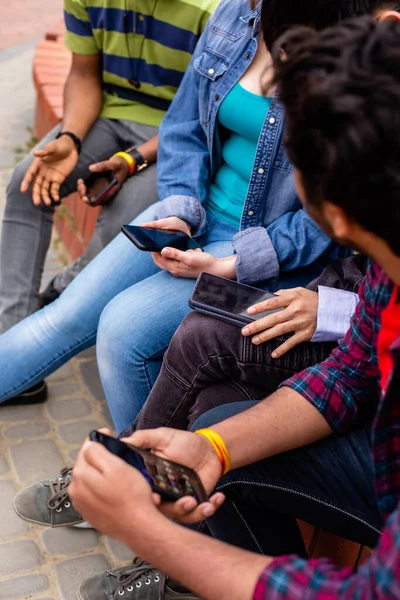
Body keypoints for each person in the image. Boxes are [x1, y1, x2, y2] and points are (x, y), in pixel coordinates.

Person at [66, 14, 400, 600]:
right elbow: (348, 376)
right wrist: (213, 451)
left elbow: (372, 590)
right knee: (217, 423)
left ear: (335, 217)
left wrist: (156, 534)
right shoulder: (384, 271)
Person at [0, 0, 352, 424]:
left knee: (121, 332)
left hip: (268, 245)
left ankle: (144, 475)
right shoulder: (234, 14)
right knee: (66, 315)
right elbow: (183, 128)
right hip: (198, 214)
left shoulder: (346, 44)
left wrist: (235, 263)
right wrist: (180, 210)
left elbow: (337, 209)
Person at [0, 0, 218, 402]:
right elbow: (82, 74)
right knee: (25, 182)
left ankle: (61, 295)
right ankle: (14, 336)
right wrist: (70, 138)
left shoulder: (208, 9)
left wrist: (130, 160)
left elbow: (196, 120)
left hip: (171, 137)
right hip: (106, 116)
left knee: (129, 213)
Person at [133, 254, 366, 432]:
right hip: (337, 284)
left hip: (350, 330)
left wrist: (331, 310)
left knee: (200, 333)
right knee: (211, 403)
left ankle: (134, 458)